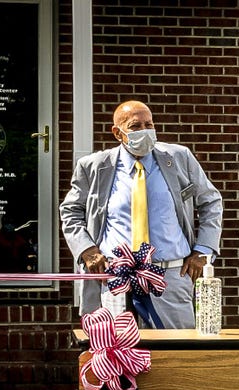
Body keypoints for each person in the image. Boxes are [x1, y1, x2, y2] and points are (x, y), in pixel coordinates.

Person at [60, 100, 223, 328]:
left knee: (176, 356)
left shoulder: (179, 158)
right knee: (117, 353)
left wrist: (203, 251)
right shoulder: (94, 166)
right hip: (115, 278)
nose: (145, 131)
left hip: (170, 275)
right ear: (118, 133)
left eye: (150, 124)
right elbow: (70, 210)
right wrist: (86, 250)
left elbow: (211, 201)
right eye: (136, 126)